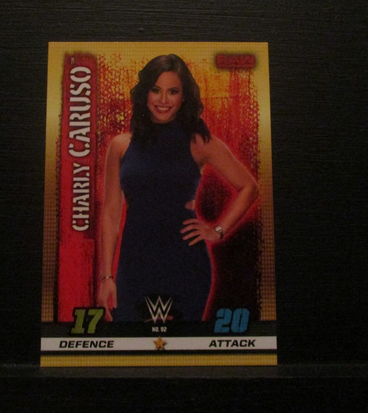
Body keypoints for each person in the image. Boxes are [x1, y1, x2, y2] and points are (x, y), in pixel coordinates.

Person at [97, 54, 259, 322]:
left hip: (185, 265)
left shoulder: (200, 142)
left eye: (173, 91)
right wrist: (106, 277)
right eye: (156, 90)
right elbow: (111, 215)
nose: (163, 100)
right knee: (131, 342)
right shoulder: (120, 145)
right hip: (134, 266)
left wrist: (217, 231)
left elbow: (249, 187)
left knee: (181, 344)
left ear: (184, 97)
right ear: (145, 93)